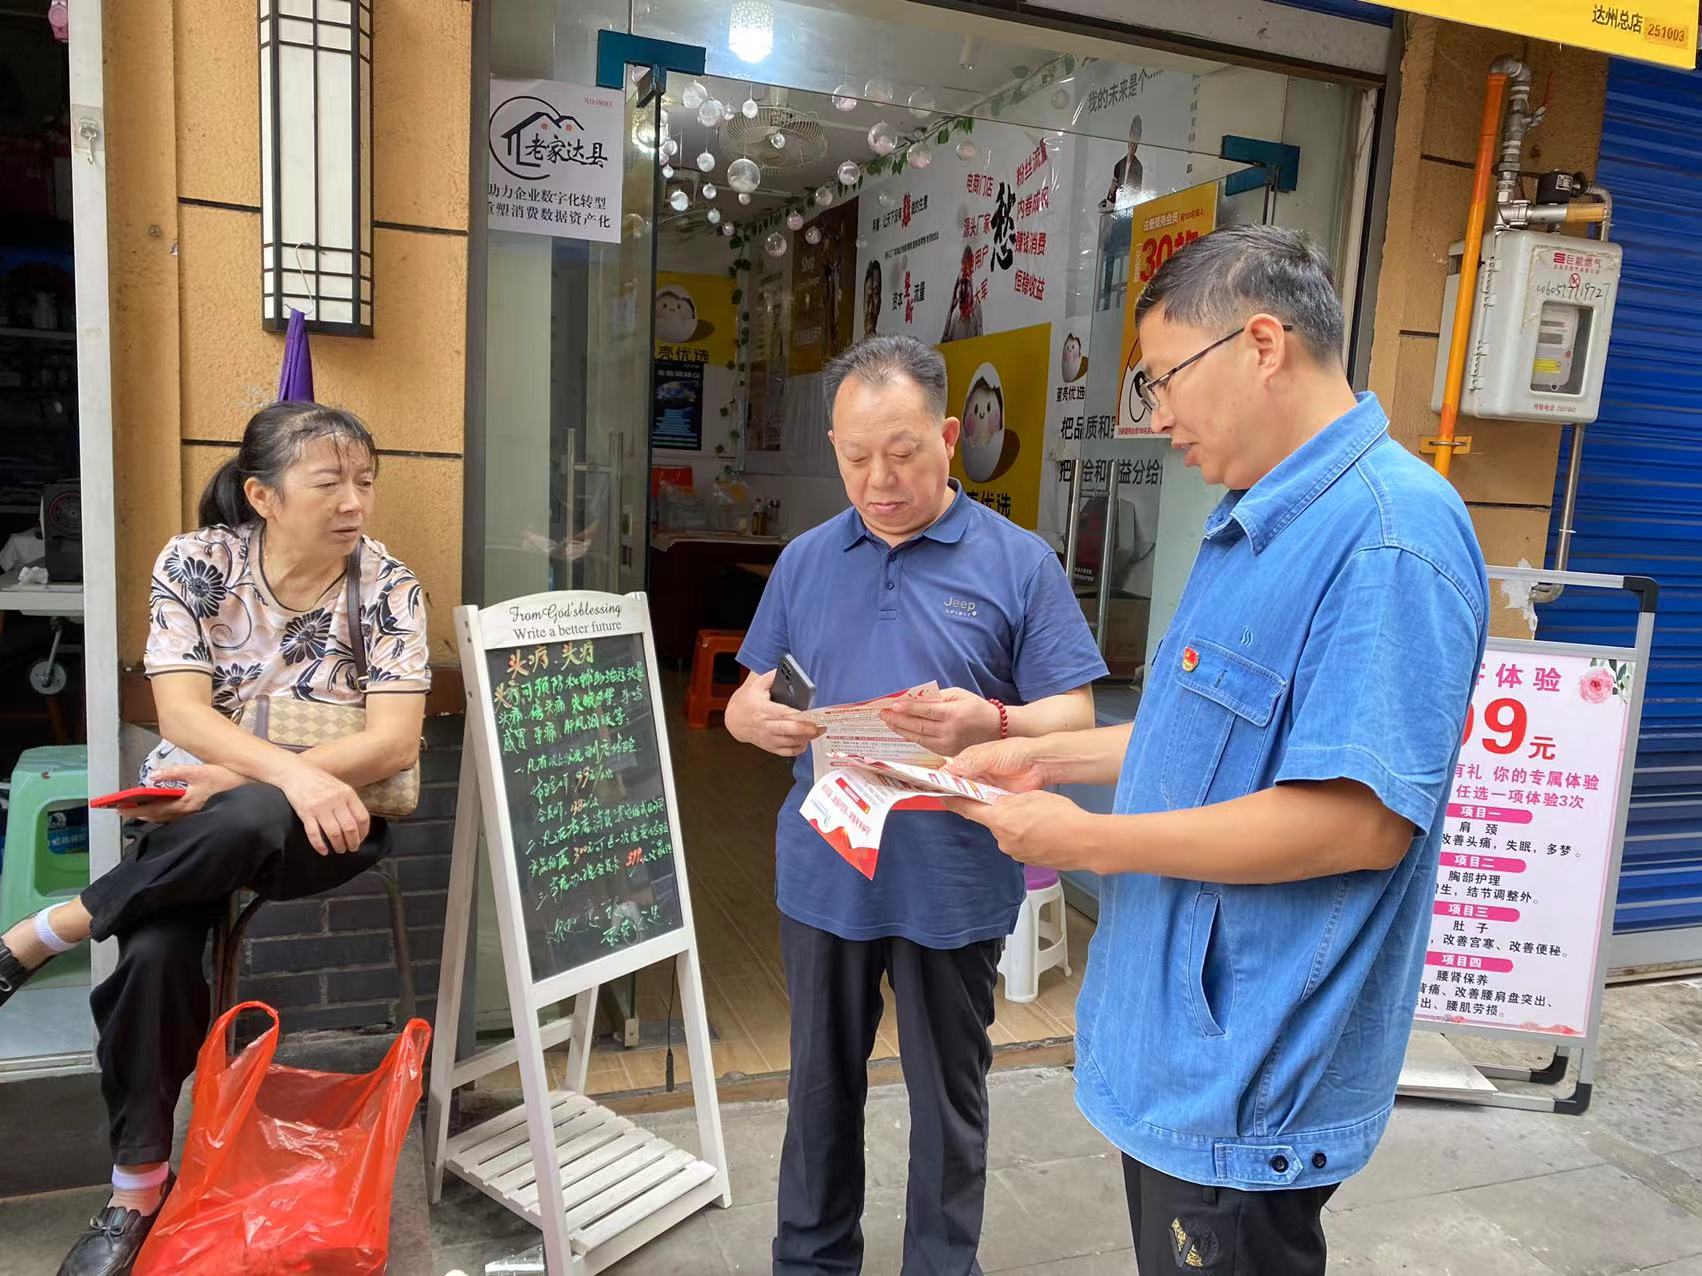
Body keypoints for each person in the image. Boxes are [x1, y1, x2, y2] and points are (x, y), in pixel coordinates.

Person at [945, 225, 1488, 1275]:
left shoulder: (1388, 536)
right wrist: (1039, 756)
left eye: (1162, 379)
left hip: (1250, 1073)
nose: (1157, 418)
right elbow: (1206, 738)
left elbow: (1357, 823)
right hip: (1179, 1054)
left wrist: (1084, 842)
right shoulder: (1259, 516)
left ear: (1262, 344)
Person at [0, 402, 430, 1276]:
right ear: (263, 495)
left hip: (330, 823)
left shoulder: (389, 585)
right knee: (155, 952)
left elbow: (392, 744)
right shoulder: (199, 563)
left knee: (255, 811)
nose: (354, 502)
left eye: (365, 481)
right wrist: (283, 771)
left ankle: (54, 929)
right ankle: (135, 1188)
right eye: (329, 482)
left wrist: (273, 779)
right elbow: (183, 716)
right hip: (193, 819)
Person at [725, 334, 1107, 1275]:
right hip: (828, 865)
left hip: (955, 871)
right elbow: (753, 690)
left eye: (900, 453)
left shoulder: (1019, 563)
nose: (878, 480)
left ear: (947, 436)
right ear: (834, 447)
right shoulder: (807, 560)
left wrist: (992, 718)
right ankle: (811, 1262)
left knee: (948, 1097)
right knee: (819, 1089)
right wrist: (748, 719)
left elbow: (1075, 717)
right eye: (856, 457)